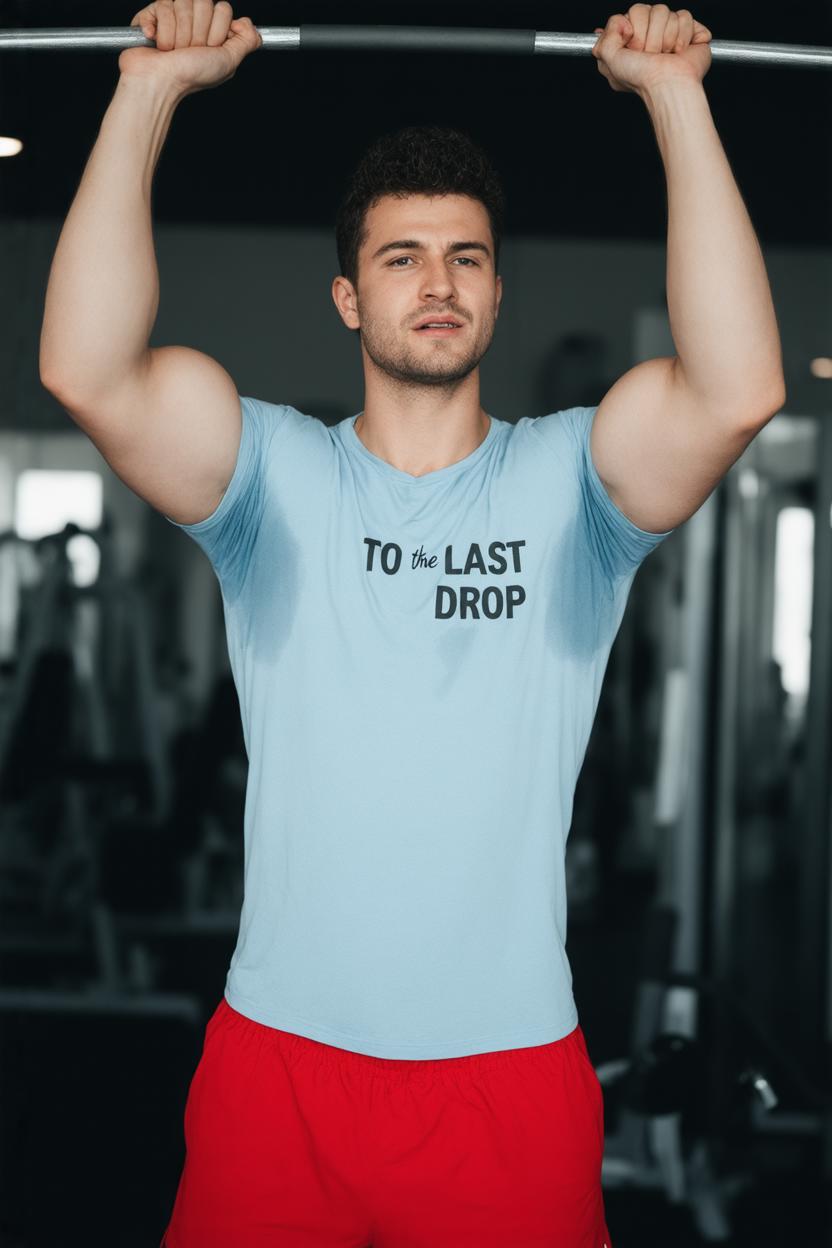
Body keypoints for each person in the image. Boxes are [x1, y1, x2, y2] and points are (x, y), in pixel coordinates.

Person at [38, 3, 786, 1244]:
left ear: (496, 289)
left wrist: (674, 99)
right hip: (278, 1071)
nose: (437, 283)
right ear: (347, 298)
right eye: (401, 258)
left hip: (506, 1082)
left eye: (467, 256)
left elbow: (737, 387)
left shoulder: (572, 485)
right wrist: (149, 92)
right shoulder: (271, 476)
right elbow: (88, 369)